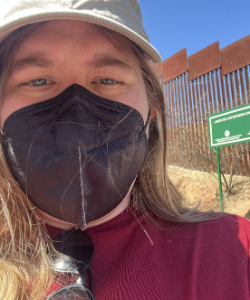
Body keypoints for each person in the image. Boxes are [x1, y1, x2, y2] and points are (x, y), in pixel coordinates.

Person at [0, 1, 249, 299]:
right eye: (37, 80)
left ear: (152, 109)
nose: (76, 114)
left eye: (108, 79)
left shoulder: (235, 251)